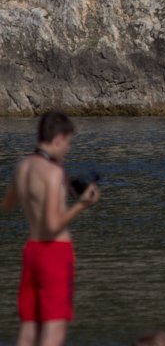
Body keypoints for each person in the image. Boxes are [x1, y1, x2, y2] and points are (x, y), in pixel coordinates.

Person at [1, 110, 100, 346]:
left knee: (30, 327)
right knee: (54, 330)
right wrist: (83, 204)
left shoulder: (22, 167)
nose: (68, 149)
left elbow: (6, 205)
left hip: (32, 251)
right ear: (58, 139)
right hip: (54, 252)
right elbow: (53, 223)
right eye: (68, 143)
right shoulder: (54, 172)